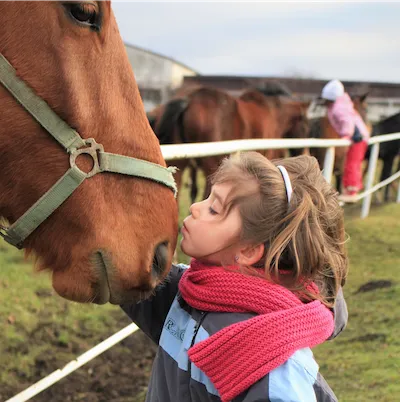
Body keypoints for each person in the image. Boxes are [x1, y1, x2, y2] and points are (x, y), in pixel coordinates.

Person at [122, 152, 349, 402]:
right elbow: (124, 269)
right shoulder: (189, 291)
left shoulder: (277, 368)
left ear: (248, 250)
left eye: (214, 209)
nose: (194, 207)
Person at [319, 79, 371, 201]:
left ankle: (351, 192)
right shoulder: (341, 104)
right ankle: (352, 189)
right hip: (359, 138)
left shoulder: (339, 108)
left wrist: (346, 136)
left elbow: (347, 123)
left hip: (357, 139)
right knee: (353, 163)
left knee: (351, 164)